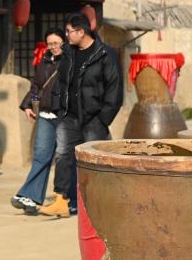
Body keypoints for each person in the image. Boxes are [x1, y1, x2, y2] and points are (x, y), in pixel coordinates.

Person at [39, 12, 123, 218]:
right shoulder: (68, 53)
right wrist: (60, 108)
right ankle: (61, 201)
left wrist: (103, 119)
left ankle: (98, 203)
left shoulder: (105, 54)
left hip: (94, 118)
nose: (66, 35)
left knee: (94, 160)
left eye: (69, 31)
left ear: (81, 32)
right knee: (62, 155)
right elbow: (61, 82)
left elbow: (115, 89)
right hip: (69, 115)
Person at [10, 29, 66, 215]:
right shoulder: (45, 61)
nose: (53, 47)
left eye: (56, 43)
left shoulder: (71, 61)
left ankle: (66, 199)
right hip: (46, 116)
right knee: (41, 156)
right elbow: (37, 86)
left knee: (64, 159)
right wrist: (28, 104)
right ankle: (31, 197)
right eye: (50, 44)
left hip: (64, 117)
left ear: (64, 42)